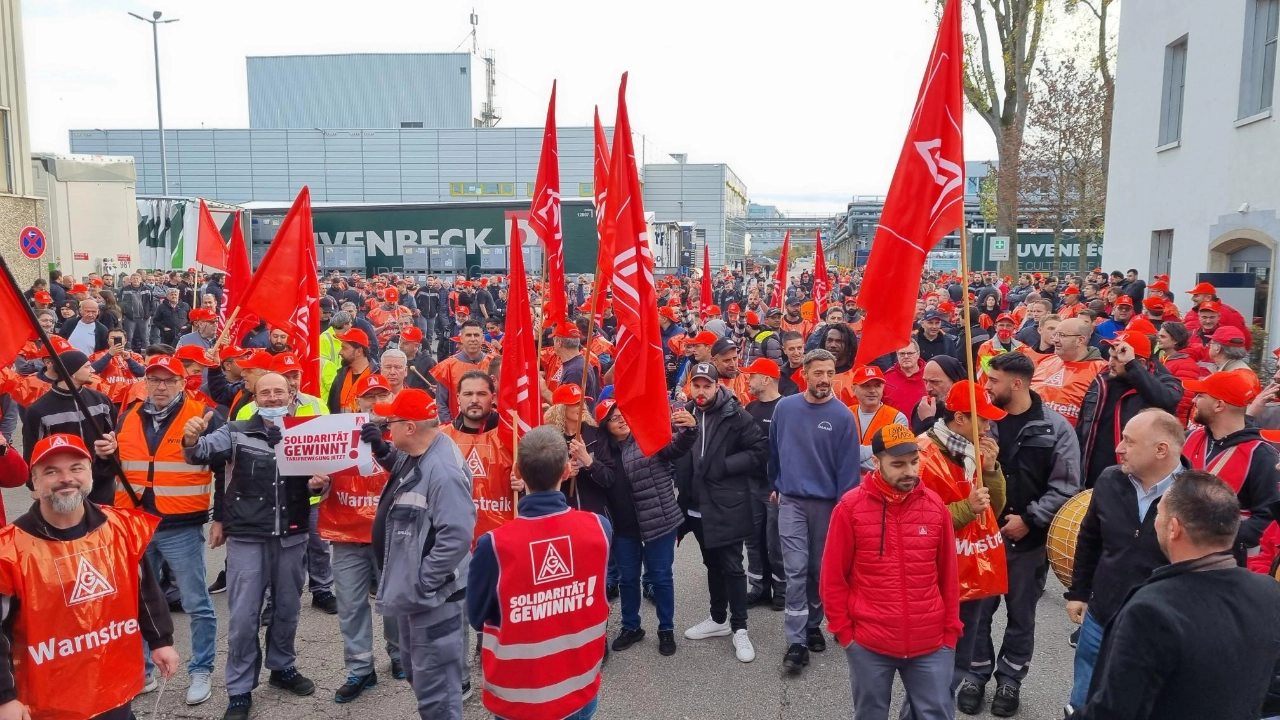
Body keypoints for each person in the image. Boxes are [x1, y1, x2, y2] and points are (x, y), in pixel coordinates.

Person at [1073, 471, 1280, 720]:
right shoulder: (1268, 591)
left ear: (1173, 528)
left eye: (1158, 513)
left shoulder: (1152, 608)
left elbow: (1116, 709)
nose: (1155, 522)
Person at [0, 433, 179, 720]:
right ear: (34, 481)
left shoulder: (120, 527)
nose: (66, 479)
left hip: (114, 688)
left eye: (76, 468)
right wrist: (5, 697)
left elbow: (145, 590)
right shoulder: (8, 551)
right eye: (51, 471)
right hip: (47, 702)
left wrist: (161, 641)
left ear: (90, 474)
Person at [182, 372, 318, 719]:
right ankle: (240, 688)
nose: (272, 398)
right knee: (243, 617)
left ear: (291, 395)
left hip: (292, 533)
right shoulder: (235, 432)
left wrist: (320, 485)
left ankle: (282, 667)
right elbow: (199, 453)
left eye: (279, 392)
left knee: (287, 608)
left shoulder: (307, 433)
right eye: (265, 392)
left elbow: (318, 483)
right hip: (247, 536)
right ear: (254, 398)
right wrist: (191, 438)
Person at [966, 351, 1081, 717]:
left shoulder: (1056, 428)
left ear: (1017, 383)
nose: (987, 386)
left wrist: (1030, 519)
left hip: (1028, 542)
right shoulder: (982, 423)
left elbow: (1066, 486)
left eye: (993, 380)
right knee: (977, 611)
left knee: (1021, 616)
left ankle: (1010, 680)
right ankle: (974, 674)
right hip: (983, 538)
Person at [467, 425, 610, 720]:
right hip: (580, 687)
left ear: (518, 471)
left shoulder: (493, 545)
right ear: (566, 471)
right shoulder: (599, 527)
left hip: (518, 698)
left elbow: (477, 617)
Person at [820, 424, 962, 720]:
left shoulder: (935, 508)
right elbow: (832, 578)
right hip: (870, 643)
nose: (909, 471)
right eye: (898, 464)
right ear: (876, 462)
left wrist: (950, 634)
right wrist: (845, 634)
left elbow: (949, 576)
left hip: (931, 642)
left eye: (914, 462)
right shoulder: (849, 508)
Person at [109, 355, 221, 705]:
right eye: (154, 379)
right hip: (136, 525)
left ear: (183, 382)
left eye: (168, 380)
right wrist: (103, 455)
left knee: (196, 602)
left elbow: (224, 469)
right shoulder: (128, 416)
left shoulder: (204, 416)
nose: (160, 386)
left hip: (180, 526)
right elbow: (115, 468)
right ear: (145, 382)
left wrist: (222, 518)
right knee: (138, 602)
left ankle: (200, 670)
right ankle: (143, 671)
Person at [363, 389, 476, 720]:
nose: (387, 427)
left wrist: (422, 582)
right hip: (419, 596)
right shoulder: (420, 451)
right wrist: (381, 449)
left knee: (437, 689)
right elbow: (403, 470)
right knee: (420, 673)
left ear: (410, 427)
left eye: (391, 422)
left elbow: (456, 537)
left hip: (432, 598)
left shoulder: (443, 470)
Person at [1064, 409, 1187, 714]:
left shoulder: (1195, 497)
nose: (1119, 448)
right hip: (1100, 617)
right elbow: (1090, 537)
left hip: (1155, 629)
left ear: (1161, 449)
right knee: (1082, 703)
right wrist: (1079, 592)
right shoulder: (1109, 479)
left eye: (1129, 442)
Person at [914, 380, 1007, 716]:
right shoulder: (922, 454)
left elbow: (992, 512)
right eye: (982, 418)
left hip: (971, 569)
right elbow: (916, 521)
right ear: (960, 418)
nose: (988, 426)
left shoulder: (975, 452)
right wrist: (967, 508)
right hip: (934, 574)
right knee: (932, 659)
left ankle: (938, 706)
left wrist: (991, 471)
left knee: (961, 654)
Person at [308, 374, 403, 703]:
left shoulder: (403, 433)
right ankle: (361, 669)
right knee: (350, 606)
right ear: (356, 401)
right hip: (347, 535)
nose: (375, 402)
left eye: (381, 395)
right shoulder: (336, 435)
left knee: (394, 603)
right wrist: (315, 484)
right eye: (368, 396)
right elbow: (314, 481)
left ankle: (399, 654)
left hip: (390, 536)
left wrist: (384, 447)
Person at [769, 349, 862, 675]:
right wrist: (776, 484)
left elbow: (848, 471)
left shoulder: (842, 417)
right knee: (795, 569)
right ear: (805, 374)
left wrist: (844, 511)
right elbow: (773, 451)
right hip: (792, 501)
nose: (825, 379)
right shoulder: (785, 408)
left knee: (819, 570)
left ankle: (813, 625)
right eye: (818, 373)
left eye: (830, 373)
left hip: (828, 506)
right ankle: (796, 640)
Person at [583, 400, 696, 657]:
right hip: (624, 528)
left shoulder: (647, 438)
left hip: (659, 522)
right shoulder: (601, 453)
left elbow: (677, 446)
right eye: (614, 418)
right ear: (605, 426)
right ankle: (631, 627)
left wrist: (690, 430)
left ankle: (666, 629)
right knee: (628, 580)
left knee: (661, 577)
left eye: (623, 414)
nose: (621, 420)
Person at [674, 362, 769, 664]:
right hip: (695, 505)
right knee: (711, 563)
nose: (701, 391)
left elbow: (759, 450)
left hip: (727, 504)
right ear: (690, 387)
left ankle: (740, 627)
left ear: (718, 386)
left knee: (732, 566)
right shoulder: (684, 413)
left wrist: (724, 466)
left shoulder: (735, 415)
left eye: (707, 385)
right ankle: (718, 618)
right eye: (697, 385)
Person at [1181, 370, 1280, 561]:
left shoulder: (1261, 454)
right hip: (1181, 550)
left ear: (1219, 405)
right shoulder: (1189, 438)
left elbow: (1268, 516)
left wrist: (1224, 539)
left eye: (1200, 396)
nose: (1193, 401)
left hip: (1227, 561)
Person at [1075, 330, 1184, 488]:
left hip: (1133, 477)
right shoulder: (1103, 380)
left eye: (1118, 359)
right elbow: (1082, 424)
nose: (1110, 363)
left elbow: (1166, 400)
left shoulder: (1165, 382)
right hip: (1090, 474)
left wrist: (1132, 366)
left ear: (1140, 362)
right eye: (1110, 356)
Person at [21, 349, 118, 505]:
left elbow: (115, 435)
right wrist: (33, 485)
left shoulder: (101, 400)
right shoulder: (39, 410)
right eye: (87, 366)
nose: (92, 370)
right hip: (64, 484)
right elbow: (31, 451)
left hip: (101, 481)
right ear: (72, 373)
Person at [741, 358, 787, 610]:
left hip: (774, 487)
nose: (748, 380)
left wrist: (782, 485)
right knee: (752, 539)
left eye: (752, 375)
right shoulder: (750, 407)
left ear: (766, 379)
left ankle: (781, 589)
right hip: (751, 484)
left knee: (775, 541)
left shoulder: (785, 408)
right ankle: (758, 587)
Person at [1030, 318, 1107, 427]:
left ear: (1080, 340)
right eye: (1055, 334)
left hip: (1070, 435)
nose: (1055, 340)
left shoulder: (1102, 370)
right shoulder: (1046, 362)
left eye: (1062, 335)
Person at [841, 365, 909, 473]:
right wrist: (878, 449)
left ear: (883, 388)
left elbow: (894, 461)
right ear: (853, 389)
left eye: (877, 385)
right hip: (846, 481)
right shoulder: (844, 414)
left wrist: (850, 460)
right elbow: (835, 453)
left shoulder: (897, 418)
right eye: (866, 385)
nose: (872, 390)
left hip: (880, 482)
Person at [430, 319, 491, 423]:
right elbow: (441, 404)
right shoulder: (447, 366)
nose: (473, 339)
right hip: (457, 426)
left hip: (490, 427)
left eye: (476, 335)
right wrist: (450, 426)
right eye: (468, 335)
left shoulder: (494, 363)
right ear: (461, 339)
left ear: (482, 338)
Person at [911, 356, 965, 435]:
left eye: (935, 382)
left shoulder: (968, 410)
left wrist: (927, 420)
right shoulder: (922, 407)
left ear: (955, 382)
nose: (927, 388)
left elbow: (951, 440)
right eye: (925, 381)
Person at [327, 328, 375, 414]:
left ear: (359, 351)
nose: (340, 352)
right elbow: (331, 408)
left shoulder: (377, 375)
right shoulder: (340, 376)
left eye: (344, 348)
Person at [883, 341, 926, 419]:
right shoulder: (886, 378)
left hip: (924, 426)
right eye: (902, 353)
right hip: (894, 425)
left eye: (910, 353)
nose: (906, 356)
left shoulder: (929, 375)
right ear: (897, 355)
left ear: (918, 354)